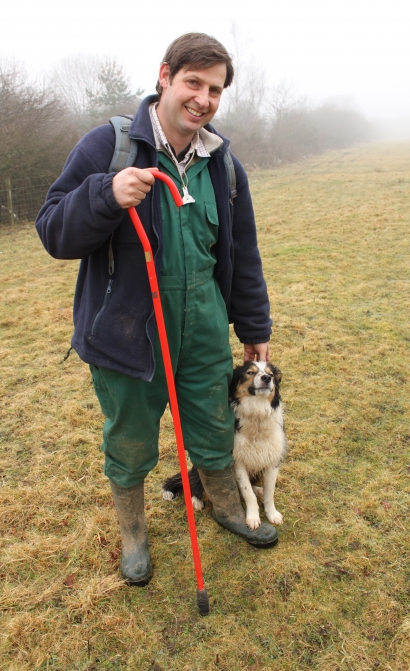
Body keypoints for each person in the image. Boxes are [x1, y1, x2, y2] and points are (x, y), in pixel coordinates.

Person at [36, 33, 278, 587]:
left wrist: (255, 325)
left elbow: (243, 254)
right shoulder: (109, 145)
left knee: (217, 426)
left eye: (215, 89)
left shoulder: (223, 162)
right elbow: (52, 230)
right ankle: (134, 533)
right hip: (127, 336)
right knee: (131, 440)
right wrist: (103, 195)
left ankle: (223, 505)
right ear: (165, 76)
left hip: (205, 329)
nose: (203, 98)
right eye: (194, 82)